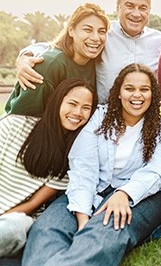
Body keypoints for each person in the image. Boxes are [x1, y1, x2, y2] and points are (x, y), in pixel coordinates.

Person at [22, 63, 161, 266]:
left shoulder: (160, 130)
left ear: (152, 94)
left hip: (142, 196)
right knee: (47, 229)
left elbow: (156, 171)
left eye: (144, 89)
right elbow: (83, 167)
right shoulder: (99, 118)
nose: (137, 95)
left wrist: (124, 193)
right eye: (129, 88)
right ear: (118, 92)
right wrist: (83, 217)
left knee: (105, 231)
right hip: (92, 187)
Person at [16, 0, 161, 103]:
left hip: (142, 120)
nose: (136, 13)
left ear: (149, 11)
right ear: (118, 8)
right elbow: (57, 46)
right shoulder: (103, 33)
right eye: (130, 6)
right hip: (101, 118)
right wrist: (25, 57)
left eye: (143, 8)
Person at [0, 79, 97, 258]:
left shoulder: (72, 158)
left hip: (15, 220)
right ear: (57, 101)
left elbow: (32, 204)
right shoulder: (14, 125)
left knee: (10, 228)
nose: (78, 112)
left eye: (86, 107)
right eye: (72, 103)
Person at [5, 3, 108, 116]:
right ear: (71, 30)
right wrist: (24, 56)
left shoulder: (99, 61)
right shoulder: (49, 65)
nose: (95, 38)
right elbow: (23, 118)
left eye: (102, 31)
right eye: (87, 30)